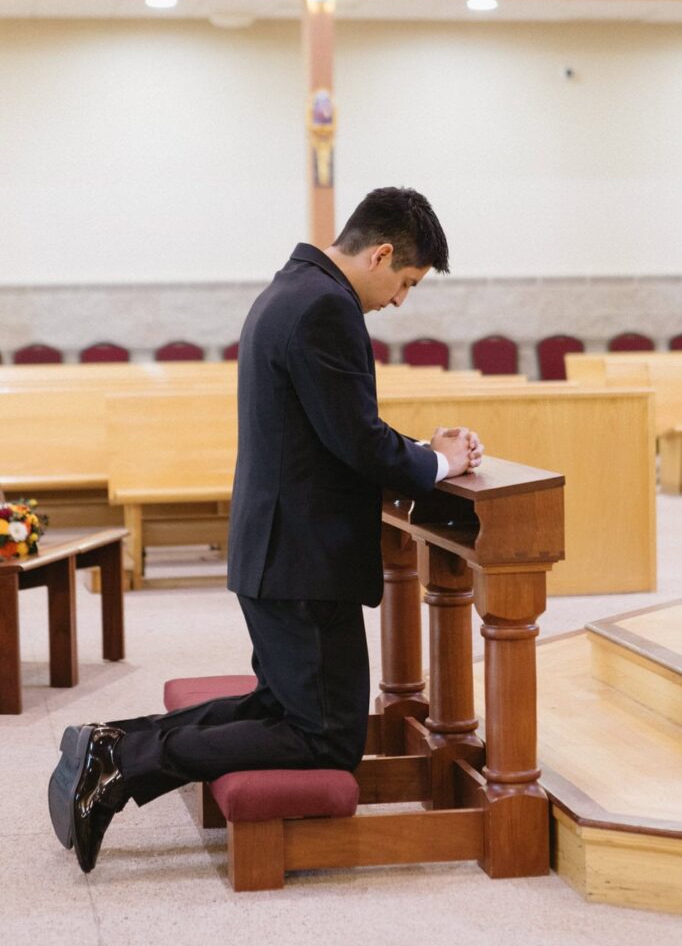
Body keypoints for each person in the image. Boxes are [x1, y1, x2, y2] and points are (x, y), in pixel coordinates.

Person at [47, 186, 483, 874]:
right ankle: (125, 759)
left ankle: (112, 741)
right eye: (406, 282)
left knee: (279, 705)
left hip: (282, 552)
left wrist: (422, 452)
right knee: (322, 739)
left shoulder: (292, 289)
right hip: (303, 559)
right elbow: (354, 439)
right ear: (381, 254)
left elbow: (329, 426)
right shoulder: (323, 307)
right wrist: (436, 462)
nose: (401, 300)